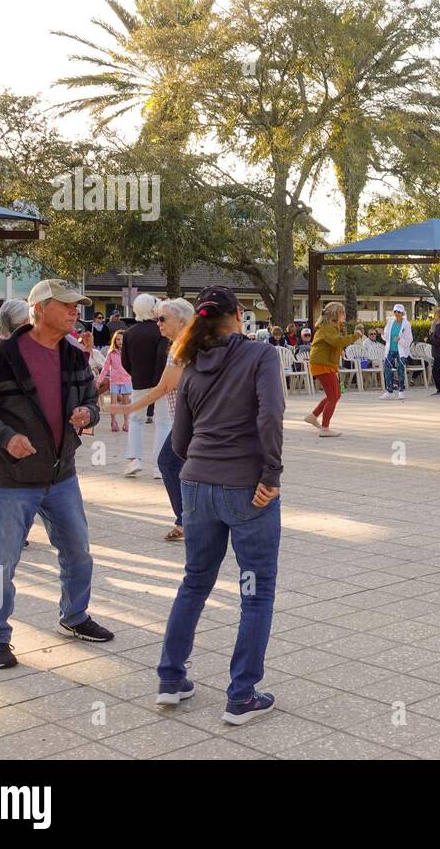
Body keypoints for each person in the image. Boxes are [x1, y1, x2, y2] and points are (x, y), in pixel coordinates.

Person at [0, 280, 112, 668]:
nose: (75, 311)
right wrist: (5, 438)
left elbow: (91, 400)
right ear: (40, 309)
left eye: (77, 306)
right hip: (12, 479)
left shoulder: (74, 353)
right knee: (2, 563)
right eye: (67, 306)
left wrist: (87, 414)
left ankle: (74, 616)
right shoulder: (5, 355)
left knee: (78, 551)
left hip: (61, 475)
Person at [157, 285, 284, 725]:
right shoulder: (261, 356)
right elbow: (270, 416)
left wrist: (199, 465)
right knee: (255, 590)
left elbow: (179, 440)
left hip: (196, 483)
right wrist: (271, 475)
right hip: (246, 487)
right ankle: (242, 694)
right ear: (236, 316)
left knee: (195, 581)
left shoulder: (191, 363)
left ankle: (171, 679)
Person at [106, 298, 194, 540]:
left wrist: (129, 408)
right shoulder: (182, 345)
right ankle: (190, 518)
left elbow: (164, 386)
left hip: (194, 421)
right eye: (157, 318)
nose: (159, 324)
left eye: (163, 319)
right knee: (179, 465)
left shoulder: (184, 348)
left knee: (169, 462)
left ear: (182, 321)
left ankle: (190, 520)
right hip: (189, 419)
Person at [121, 293, 170, 477]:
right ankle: (159, 466)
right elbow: (162, 357)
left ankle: (134, 459)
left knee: (136, 420)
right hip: (161, 381)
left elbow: (125, 361)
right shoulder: (161, 331)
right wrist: (159, 381)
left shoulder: (129, 333)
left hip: (138, 382)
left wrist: (136, 374)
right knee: (163, 422)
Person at [305, 302, 360, 437]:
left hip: (326, 364)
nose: (344, 316)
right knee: (333, 397)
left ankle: (313, 416)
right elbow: (338, 341)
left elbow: (334, 343)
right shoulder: (327, 328)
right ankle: (325, 429)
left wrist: (339, 351)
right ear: (336, 314)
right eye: (342, 313)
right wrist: (356, 335)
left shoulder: (330, 328)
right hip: (322, 365)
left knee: (335, 395)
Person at [97, 330, 133, 432]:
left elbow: (134, 367)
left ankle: (126, 423)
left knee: (126, 404)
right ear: (115, 340)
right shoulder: (111, 353)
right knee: (113, 404)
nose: (120, 341)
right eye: (118, 339)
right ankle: (113, 421)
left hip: (126, 380)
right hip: (114, 381)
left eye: (122, 339)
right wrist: (99, 381)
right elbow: (105, 368)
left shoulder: (129, 352)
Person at [379, 304, 412, 399]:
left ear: (402, 313)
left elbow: (409, 340)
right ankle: (389, 391)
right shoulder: (390, 322)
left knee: (400, 370)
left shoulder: (406, 325)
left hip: (401, 351)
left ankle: (401, 391)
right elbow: (386, 338)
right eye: (395, 312)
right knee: (387, 369)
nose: (397, 313)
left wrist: (400, 339)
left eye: (399, 312)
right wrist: (382, 333)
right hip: (390, 350)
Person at [426, 307, 440, 395]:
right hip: (439, 353)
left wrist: (428, 340)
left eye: (434, 314)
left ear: (438, 315)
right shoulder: (439, 326)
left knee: (435, 371)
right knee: (436, 371)